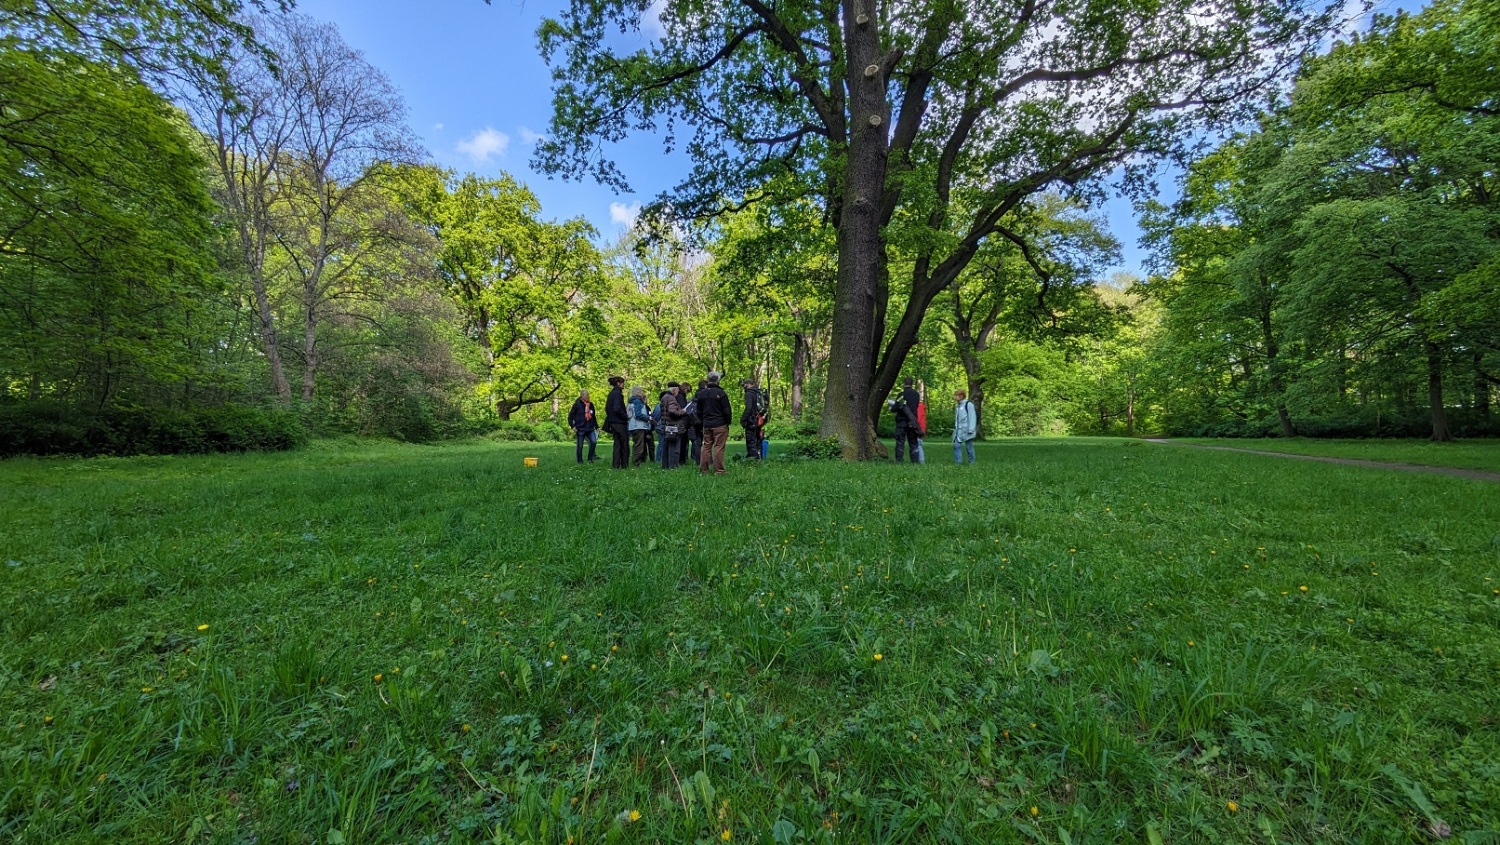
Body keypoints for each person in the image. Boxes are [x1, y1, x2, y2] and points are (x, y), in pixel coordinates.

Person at [696, 371, 732, 475]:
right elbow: (727, 410)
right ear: (718, 380)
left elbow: (698, 411)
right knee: (719, 447)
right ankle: (719, 470)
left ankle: (704, 469)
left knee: (706, 446)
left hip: (707, 424)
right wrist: (727, 422)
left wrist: (703, 421)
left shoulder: (702, 394)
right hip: (720, 424)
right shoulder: (721, 393)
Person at [890, 377, 923, 463]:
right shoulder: (916, 394)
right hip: (912, 421)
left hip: (901, 422)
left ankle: (899, 460)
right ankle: (915, 461)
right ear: (912, 384)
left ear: (904, 384)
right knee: (913, 442)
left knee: (900, 441)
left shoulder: (901, 394)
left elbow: (895, 407)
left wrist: (892, 407)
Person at [658, 382, 686, 469]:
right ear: (674, 389)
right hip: (673, 426)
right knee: (674, 448)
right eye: (677, 389)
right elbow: (673, 411)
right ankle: (673, 467)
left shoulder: (664, 397)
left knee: (667, 448)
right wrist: (683, 411)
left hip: (666, 425)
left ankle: (666, 466)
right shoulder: (671, 398)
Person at [604, 376, 630, 469]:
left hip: (613, 422)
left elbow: (607, 408)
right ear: (618, 383)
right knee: (624, 444)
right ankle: (624, 465)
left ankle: (616, 465)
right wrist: (625, 416)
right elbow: (617, 408)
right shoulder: (617, 394)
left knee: (617, 444)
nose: (623, 384)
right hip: (619, 423)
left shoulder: (611, 394)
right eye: (622, 382)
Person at [567, 389, 599, 463]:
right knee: (580, 446)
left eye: (588, 394)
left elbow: (593, 417)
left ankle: (590, 459)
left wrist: (597, 427)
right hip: (580, 428)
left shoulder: (591, 405)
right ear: (582, 396)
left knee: (593, 442)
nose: (588, 396)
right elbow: (570, 417)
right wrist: (573, 426)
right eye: (587, 395)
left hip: (590, 428)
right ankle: (580, 461)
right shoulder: (577, 405)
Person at [740, 379, 766, 460]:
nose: (743, 387)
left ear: (747, 384)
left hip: (752, 420)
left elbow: (749, 408)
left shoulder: (749, 394)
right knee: (758, 439)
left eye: (743, 385)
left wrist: (743, 419)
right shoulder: (759, 392)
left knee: (751, 440)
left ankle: (753, 459)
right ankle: (759, 456)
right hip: (760, 419)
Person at [627, 386, 653, 466]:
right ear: (638, 393)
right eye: (641, 391)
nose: (642, 393)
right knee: (639, 446)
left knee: (636, 445)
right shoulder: (637, 401)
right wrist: (648, 418)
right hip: (638, 426)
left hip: (633, 426)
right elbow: (638, 414)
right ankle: (636, 463)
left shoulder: (631, 401)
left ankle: (636, 461)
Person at [953, 389, 977, 464]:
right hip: (958, 431)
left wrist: (971, 429)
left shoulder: (968, 404)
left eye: (956, 396)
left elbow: (972, 417)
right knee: (956, 446)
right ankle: (958, 463)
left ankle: (972, 462)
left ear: (961, 396)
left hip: (967, 430)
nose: (955, 397)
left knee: (969, 447)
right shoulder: (958, 406)